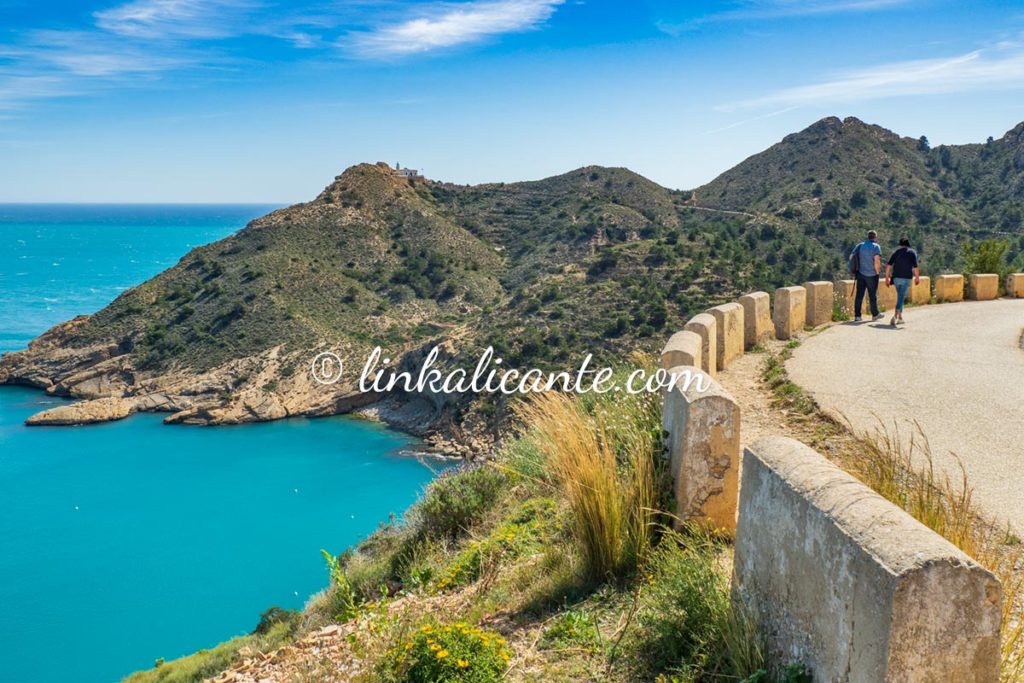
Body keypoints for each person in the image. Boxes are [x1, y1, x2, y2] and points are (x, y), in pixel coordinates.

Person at [885, 237, 920, 326]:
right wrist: (917, 277)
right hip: (906, 277)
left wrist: (887, 278)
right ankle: (895, 316)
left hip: (896, 278)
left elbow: (888, 266)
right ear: (908, 245)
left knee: (900, 296)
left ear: (900, 245)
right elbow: (915, 266)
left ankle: (900, 318)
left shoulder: (896, 252)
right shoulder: (912, 252)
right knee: (901, 296)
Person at [849, 230, 883, 322]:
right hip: (872, 274)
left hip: (860, 274)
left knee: (859, 295)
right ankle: (875, 314)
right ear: (875, 237)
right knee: (872, 295)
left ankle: (857, 316)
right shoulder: (876, 247)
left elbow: (851, 257)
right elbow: (876, 260)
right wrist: (877, 272)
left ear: (868, 237)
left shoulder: (860, 245)